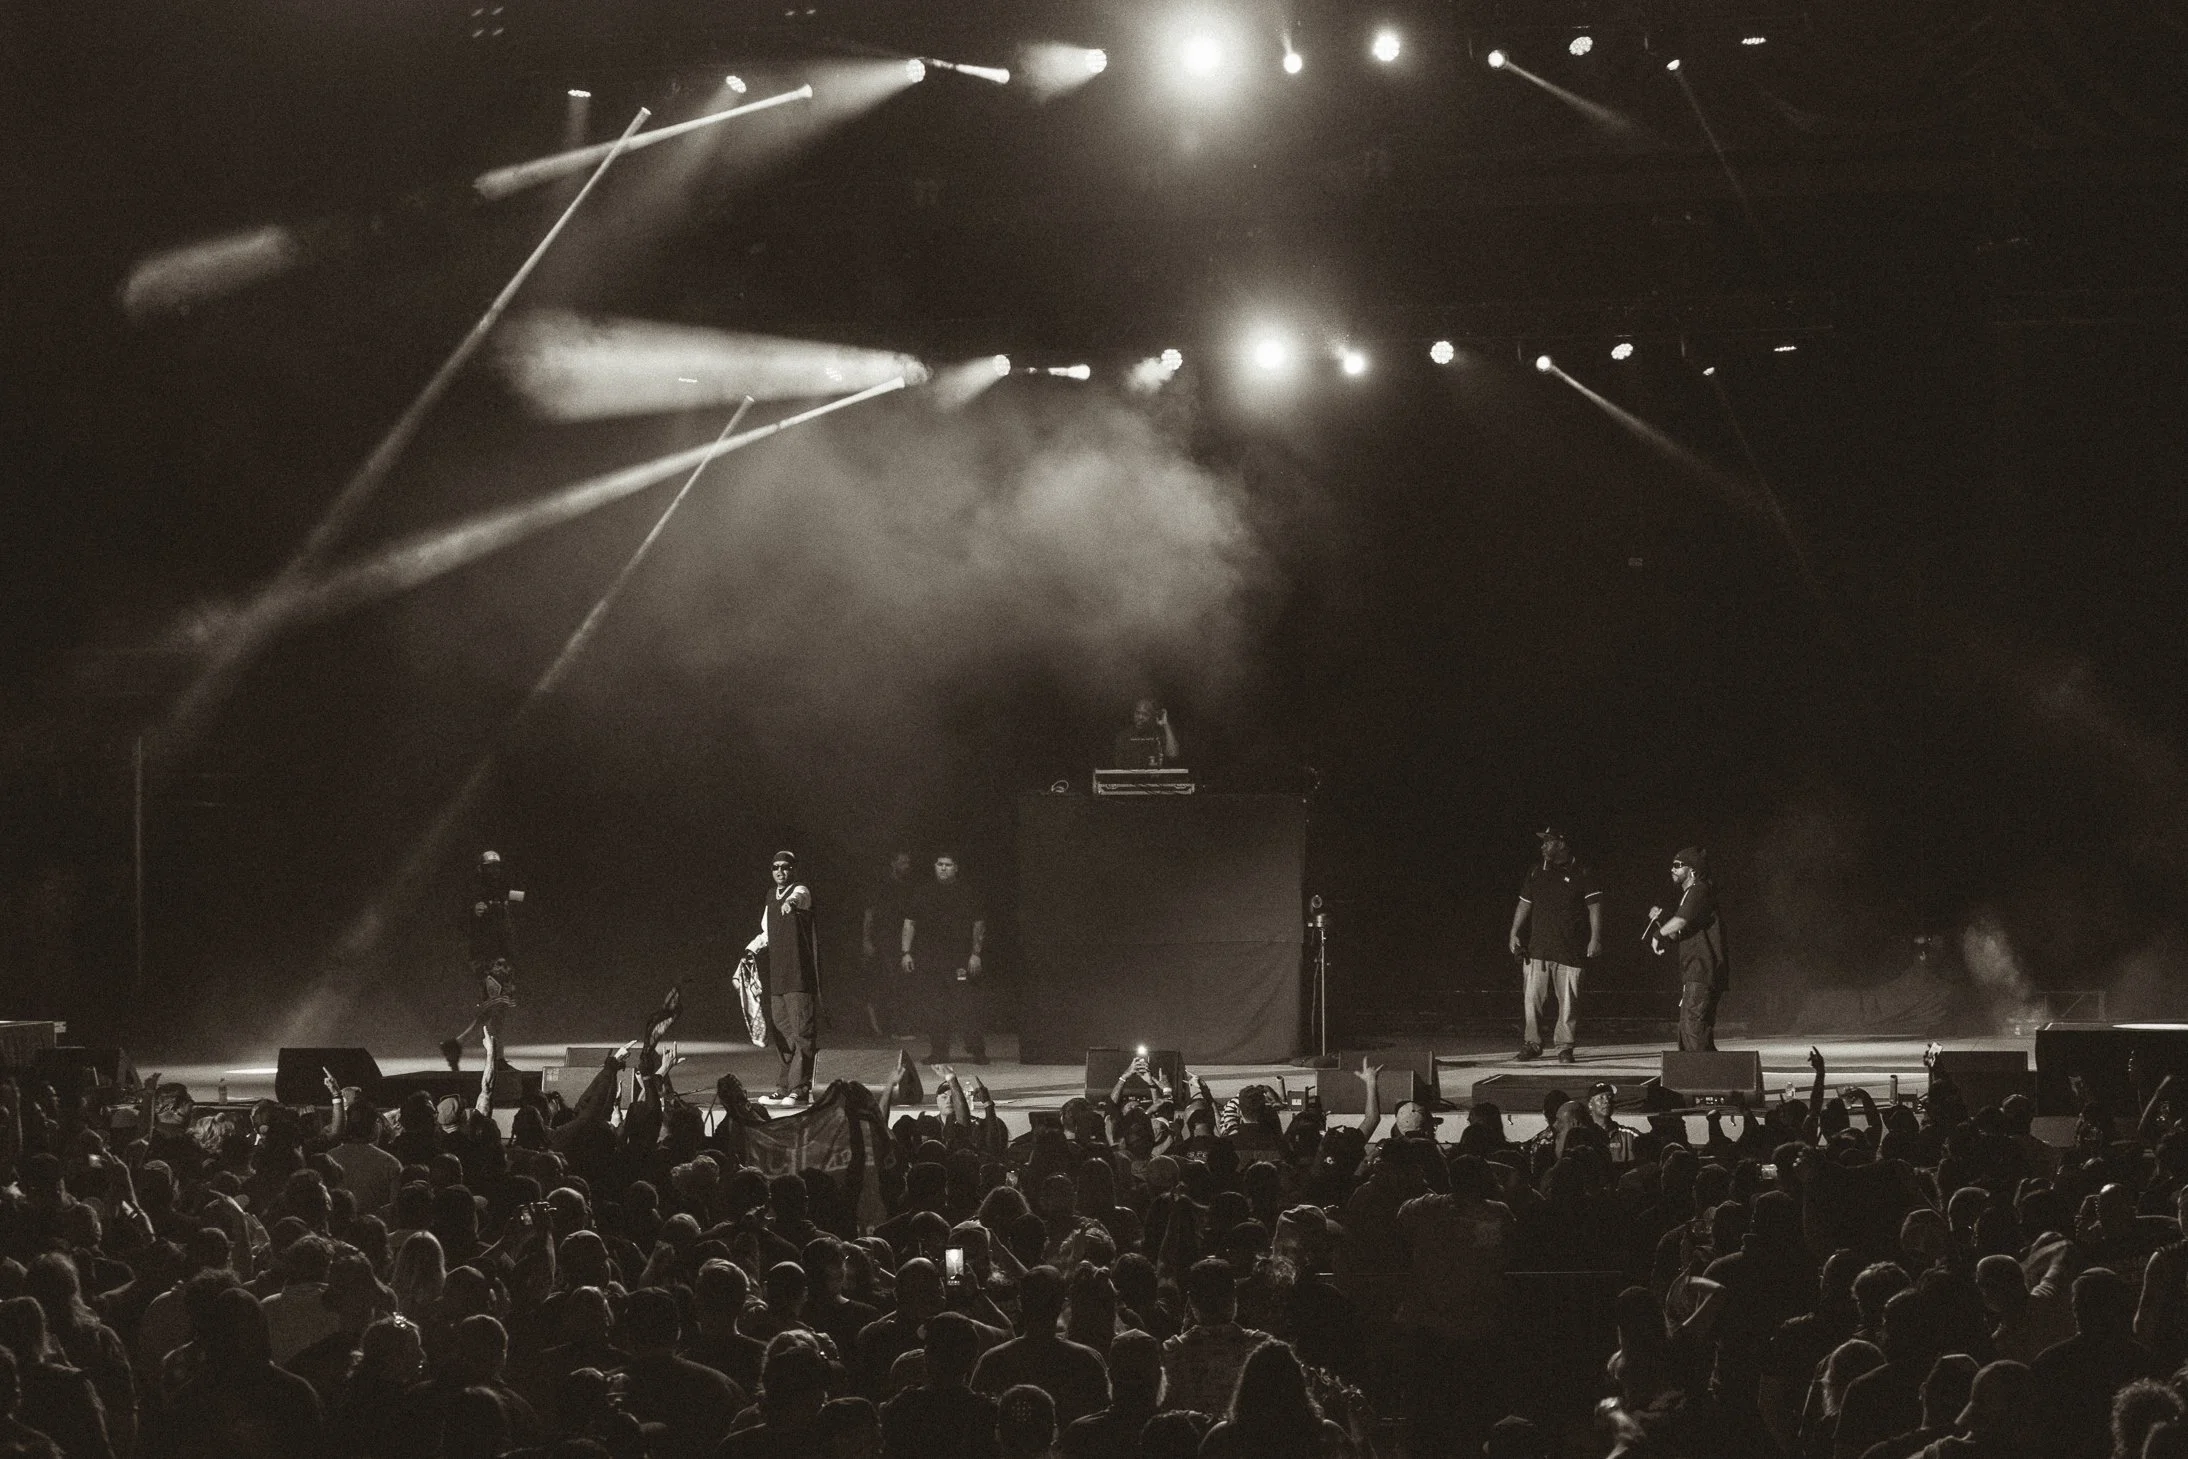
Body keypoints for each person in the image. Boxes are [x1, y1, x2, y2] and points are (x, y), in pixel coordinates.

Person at [1508, 826, 1602, 1063]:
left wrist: (1595, 938)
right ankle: (1532, 1043)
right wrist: (1514, 932)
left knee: (1569, 1003)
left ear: (1561, 843)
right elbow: (1524, 903)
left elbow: (1594, 907)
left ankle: (1564, 1047)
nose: (1543, 846)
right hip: (1537, 949)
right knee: (1532, 1000)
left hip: (1570, 950)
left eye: (1548, 842)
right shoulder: (1536, 871)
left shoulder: (1582, 871)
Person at [440, 850, 523, 1113]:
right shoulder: (473, 892)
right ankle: (494, 1056)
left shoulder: (501, 891)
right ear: (481, 869)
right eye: (490, 867)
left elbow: (520, 899)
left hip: (502, 956)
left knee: (497, 1007)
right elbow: (457, 920)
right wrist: (472, 912)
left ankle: (458, 1045)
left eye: (497, 867)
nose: (494, 871)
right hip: (486, 958)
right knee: (497, 1004)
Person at [745, 850, 822, 1103]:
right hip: (778, 977)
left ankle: (800, 1088)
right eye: (775, 867)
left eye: (785, 867)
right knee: (783, 1033)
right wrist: (750, 950)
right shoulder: (771, 896)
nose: (780, 871)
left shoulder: (800, 891)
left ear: (793, 869)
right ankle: (784, 1086)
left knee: (802, 1032)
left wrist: (791, 903)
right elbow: (767, 933)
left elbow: (799, 898)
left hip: (799, 976)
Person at [902, 853, 987, 1067]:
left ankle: (977, 1049)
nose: (943, 868)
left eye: (948, 865)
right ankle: (939, 1051)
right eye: (939, 864)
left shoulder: (966, 893)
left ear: (956, 867)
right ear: (934, 866)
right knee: (934, 1007)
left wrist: (976, 953)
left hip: (959, 959)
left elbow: (978, 924)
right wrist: (906, 952)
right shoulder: (923, 892)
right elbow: (910, 922)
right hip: (930, 959)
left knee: (966, 1004)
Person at [1650, 845, 1730, 1053]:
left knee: (1693, 1026)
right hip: (1695, 970)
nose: (1672, 869)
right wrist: (1661, 921)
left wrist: (1658, 935)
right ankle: (1703, 1070)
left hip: (1702, 968)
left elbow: (1681, 921)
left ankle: (1702, 1071)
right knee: (1691, 1029)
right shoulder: (1691, 894)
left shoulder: (1699, 890)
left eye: (1678, 865)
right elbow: (1678, 933)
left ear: (1692, 869)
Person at [863, 850, 918, 1039]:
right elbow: (869, 914)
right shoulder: (883, 886)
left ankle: (895, 1027)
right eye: (902, 863)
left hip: (903, 939)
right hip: (884, 939)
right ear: (893, 864)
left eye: (908, 863)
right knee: (889, 981)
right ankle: (889, 1027)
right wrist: (866, 940)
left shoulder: (908, 887)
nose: (906, 866)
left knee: (901, 981)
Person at [1111, 698, 1181, 770]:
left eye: (1145, 714)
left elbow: (1173, 755)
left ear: (1152, 717)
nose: (1140, 717)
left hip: (1155, 777)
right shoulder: (1124, 735)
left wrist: (1165, 725)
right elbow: (1118, 763)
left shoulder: (1159, 733)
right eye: (1137, 713)